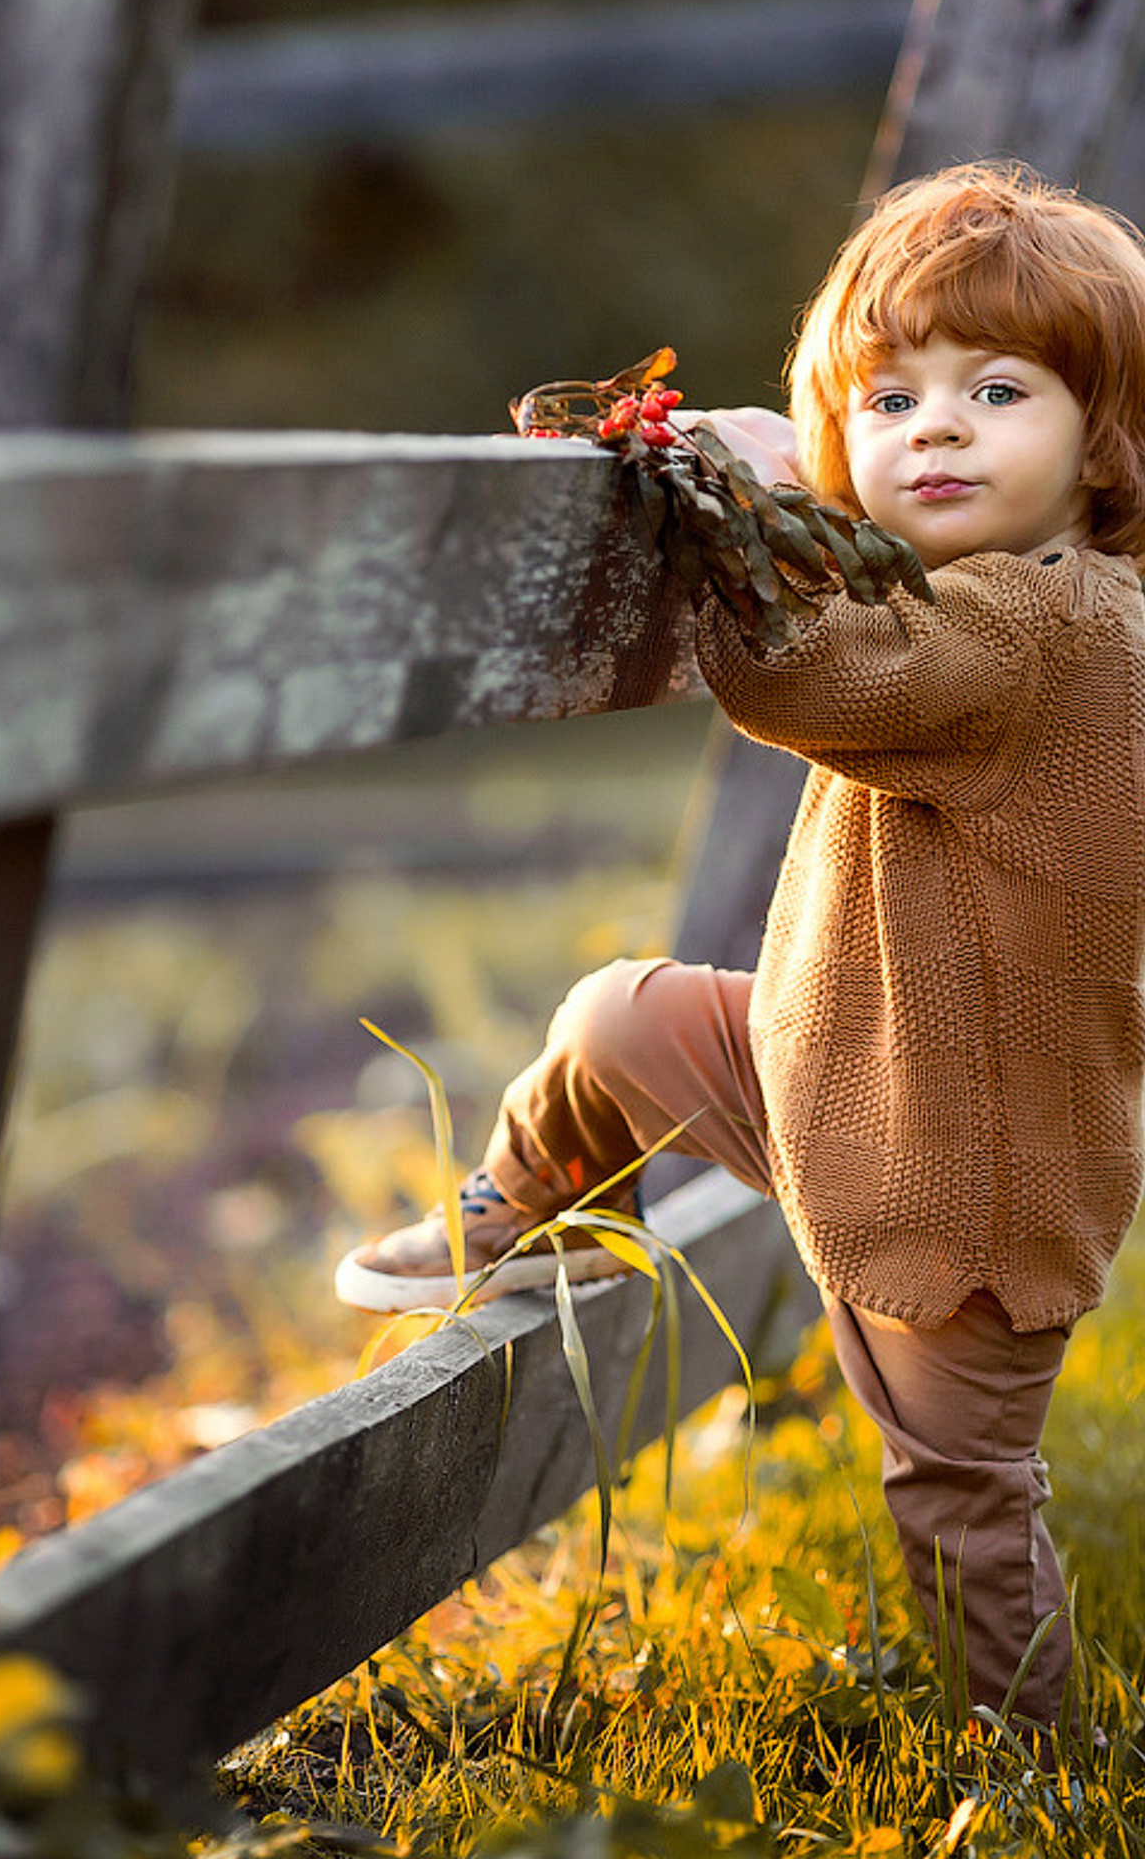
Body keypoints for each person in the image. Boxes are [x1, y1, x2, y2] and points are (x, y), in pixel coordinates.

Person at [335, 163, 1145, 1741]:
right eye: (889, 398)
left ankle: (1043, 1757)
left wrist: (713, 502)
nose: (939, 428)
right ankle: (529, 1211)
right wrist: (804, 501)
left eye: (997, 390)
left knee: (962, 1499)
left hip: (969, 1188)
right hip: (850, 1081)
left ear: (1104, 439)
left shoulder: (1043, 633)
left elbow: (811, 675)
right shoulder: (1025, 599)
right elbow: (889, 617)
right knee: (618, 1015)